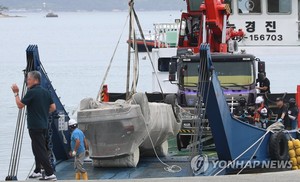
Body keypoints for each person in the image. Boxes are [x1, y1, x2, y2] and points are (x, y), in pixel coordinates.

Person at [11, 71, 57, 180]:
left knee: (40, 150)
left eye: (28, 79)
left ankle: (50, 173)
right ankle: (37, 171)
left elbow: (20, 105)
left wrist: (16, 93)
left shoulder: (31, 92)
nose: (27, 82)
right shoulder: (46, 92)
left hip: (34, 126)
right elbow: (53, 107)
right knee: (36, 148)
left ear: (35, 80)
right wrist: (43, 112)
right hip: (43, 125)